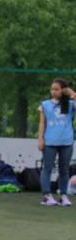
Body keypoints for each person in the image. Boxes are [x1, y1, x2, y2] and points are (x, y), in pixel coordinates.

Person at [37, 78, 76, 206]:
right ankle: (47, 196)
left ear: (63, 90)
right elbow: (42, 123)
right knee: (47, 168)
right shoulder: (45, 104)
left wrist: (72, 93)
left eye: (57, 89)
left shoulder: (71, 104)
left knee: (64, 170)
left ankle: (63, 196)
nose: (53, 91)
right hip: (49, 142)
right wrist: (40, 139)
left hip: (67, 142)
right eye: (52, 89)